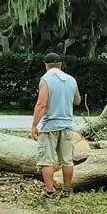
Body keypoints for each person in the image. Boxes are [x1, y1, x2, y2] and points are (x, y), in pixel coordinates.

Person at [31, 52, 81, 198]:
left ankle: (50, 191)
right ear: (60, 65)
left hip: (49, 126)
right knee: (67, 160)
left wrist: (34, 125)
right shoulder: (71, 80)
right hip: (66, 125)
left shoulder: (45, 80)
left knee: (47, 160)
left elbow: (41, 104)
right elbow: (77, 100)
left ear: (46, 65)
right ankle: (66, 190)